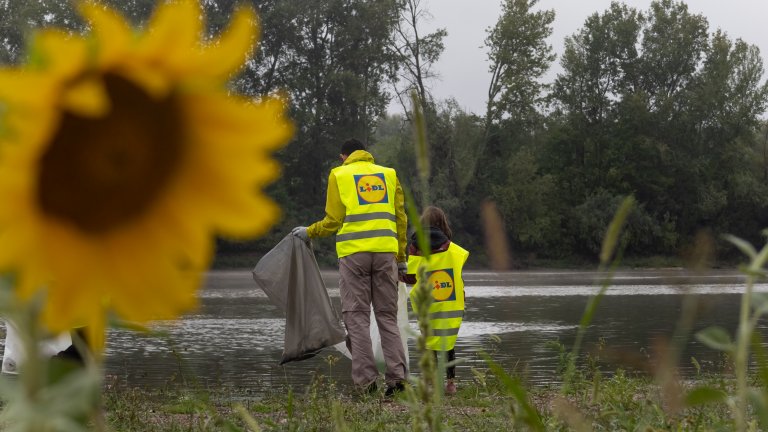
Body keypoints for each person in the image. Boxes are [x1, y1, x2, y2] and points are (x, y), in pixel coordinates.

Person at [292, 138, 408, 396]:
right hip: (386, 253)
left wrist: (309, 232)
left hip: (353, 256)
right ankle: (397, 380)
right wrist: (401, 258)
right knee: (387, 317)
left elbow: (333, 221)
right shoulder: (388, 175)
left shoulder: (339, 174)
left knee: (356, 318)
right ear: (366, 154)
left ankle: (367, 383)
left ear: (343, 156)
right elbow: (400, 218)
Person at [403, 206, 469, 396]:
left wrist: (395, 276)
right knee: (448, 343)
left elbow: (413, 277)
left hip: (427, 303)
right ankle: (450, 384)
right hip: (449, 301)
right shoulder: (451, 247)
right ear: (442, 223)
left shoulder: (415, 246)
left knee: (429, 341)